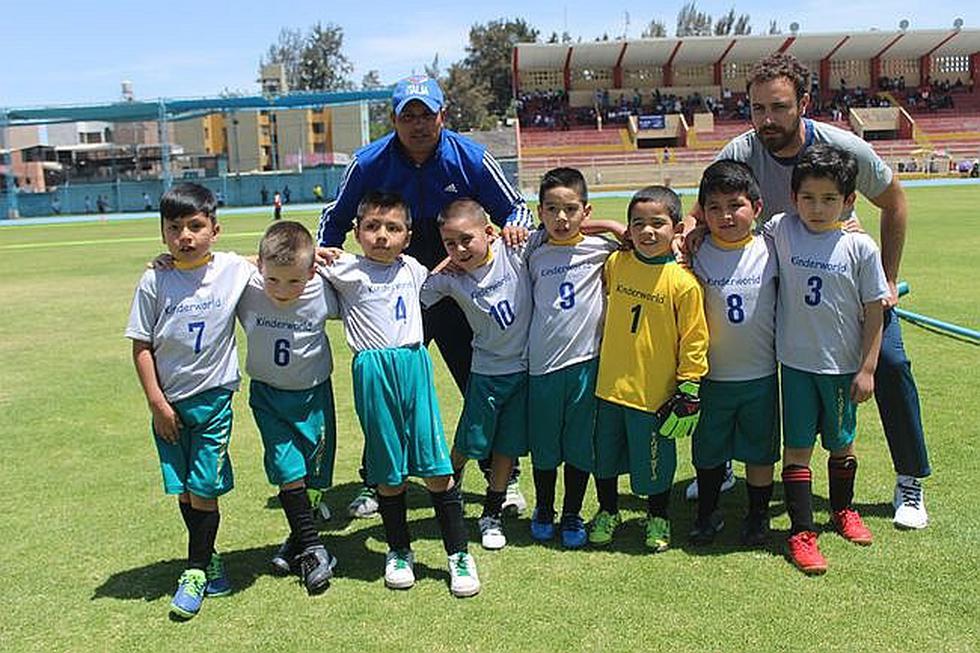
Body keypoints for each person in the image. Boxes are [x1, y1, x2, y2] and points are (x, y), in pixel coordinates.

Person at [682, 52, 931, 530]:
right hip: (778, 282)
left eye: (778, 107)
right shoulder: (740, 150)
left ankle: (910, 479)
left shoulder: (842, 149)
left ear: (804, 103)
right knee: (725, 348)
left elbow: (895, 202)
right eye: (757, 109)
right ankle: (724, 465)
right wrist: (689, 231)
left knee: (892, 363)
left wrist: (887, 279)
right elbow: (702, 206)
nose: (766, 120)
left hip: (842, 277)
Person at [316, 74, 534, 519]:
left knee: (481, 384)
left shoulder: (470, 156)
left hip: (461, 288)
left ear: (442, 116)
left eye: (426, 115)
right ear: (394, 119)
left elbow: (516, 205)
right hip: (397, 291)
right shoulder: (368, 162)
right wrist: (325, 253)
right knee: (391, 385)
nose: (418, 124)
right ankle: (379, 481)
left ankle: (503, 478)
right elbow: (334, 219)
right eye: (407, 116)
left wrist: (514, 225)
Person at [319, 191, 480, 598]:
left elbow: (461, 261)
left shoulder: (413, 269)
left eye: (393, 228)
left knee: (436, 468)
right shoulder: (343, 269)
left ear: (407, 236)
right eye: (372, 227)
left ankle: (458, 554)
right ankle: (399, 551)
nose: (381, 236)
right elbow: (281, 262)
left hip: (414, 366)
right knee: (388, 471)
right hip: (372, 371)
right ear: (356, 232)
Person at [124, 183, 253, 619]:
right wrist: (157, 404)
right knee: (184, 489)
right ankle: (209, 555)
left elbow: (275, 263)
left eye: (195, 226)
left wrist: (322, 256)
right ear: (163, 234)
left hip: (214, 399)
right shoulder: (154, 279)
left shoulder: (233, 269)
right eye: (175, 227)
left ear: (214, 229)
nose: (185, 236)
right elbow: (141, 346)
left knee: (204, 488)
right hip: (168, 406)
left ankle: (196, 569)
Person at [767, 144, 888, 574]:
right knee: (797, 450)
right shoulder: (781, 228)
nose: (817, 209)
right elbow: (738, 233)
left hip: (841, 369)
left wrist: (868, 367)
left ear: (849, 200)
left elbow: (875, 309)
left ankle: (843, 510)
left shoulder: (861, 247)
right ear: (793, 196)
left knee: (842, 443)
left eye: (830, 199)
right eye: (808, 198)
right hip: (796, 366)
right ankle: (801, 532)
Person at [590, 186, 709, 552]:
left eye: (657, 224)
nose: (647, 231)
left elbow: (694, 338)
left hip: (654, 393)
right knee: (604, 458)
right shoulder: (616, 263)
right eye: (637, 224)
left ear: (676, 229)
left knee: (656, 464)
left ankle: (659, 516)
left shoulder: (684, 283)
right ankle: (608, 510)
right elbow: (576, 228)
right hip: (608, 387)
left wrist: (689, 386)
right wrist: (612, 227)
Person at [420, 199, 533, 551]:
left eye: (466, 240)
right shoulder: (452, 279)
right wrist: (444, 265)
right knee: (468, 444)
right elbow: (418, 292)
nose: (459, 250)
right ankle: (447, 502)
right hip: (485, 373)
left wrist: (615, 229)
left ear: (489, 232)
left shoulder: (514, 250)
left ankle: (492, 512)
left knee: (506, 447)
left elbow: (563, 233)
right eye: (449, 244)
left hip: (524, 371)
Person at [236, 221, 340, 594]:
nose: (282, 291)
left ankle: (296, 540)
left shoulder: (323, 288)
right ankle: (314, 549)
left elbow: (367, 280)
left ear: (311, 272)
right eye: (273, 280)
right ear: (260, 268)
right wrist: (163, 261)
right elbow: (209, 267)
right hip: (268, 397)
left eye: (294, 281)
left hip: (314, 396)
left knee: (314, 476)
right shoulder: (246, 286)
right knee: (287, 469)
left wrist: (333, 259)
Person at [525, 168, 621, 549]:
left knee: (581, 445)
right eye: (551, 209)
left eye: (570, 209)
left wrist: (611, 226)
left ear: (585, 210)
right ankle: (544, 508)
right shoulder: (530, 248)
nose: (561, 219)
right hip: (542, 366)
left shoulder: (603, 250)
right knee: (545, 447)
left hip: (586, 365)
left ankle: (572, 512)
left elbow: (640, 243)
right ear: (540, 212)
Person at [689, 160, 779, 546]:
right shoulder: (694, 252)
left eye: (735, 205)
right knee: (708, 451)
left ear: (756, 208)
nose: (725, 215)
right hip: (712, 378)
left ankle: (758, 516)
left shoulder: (772, 248)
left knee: (760, 453)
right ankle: (707, 514)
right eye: (714, 207)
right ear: (702, 212)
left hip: (760, 375)